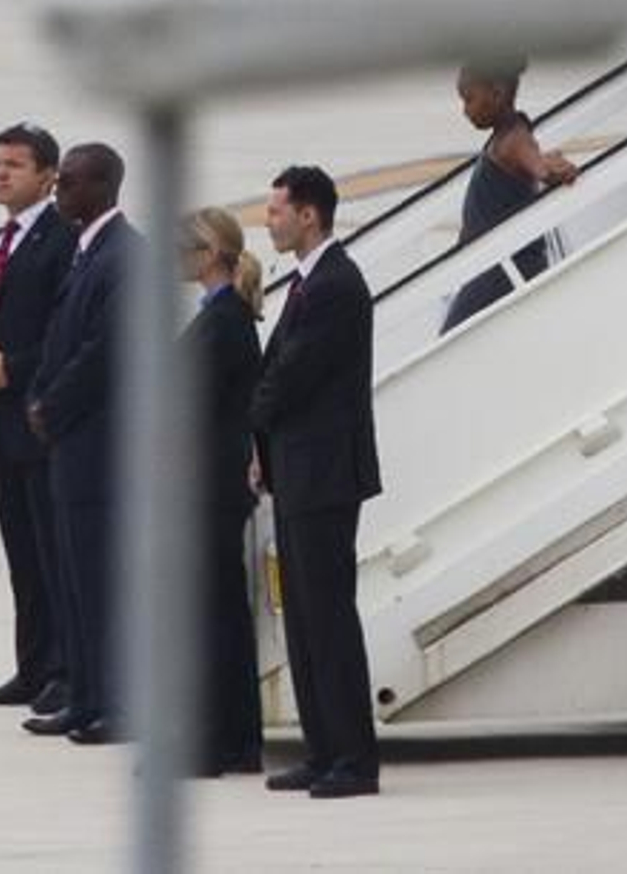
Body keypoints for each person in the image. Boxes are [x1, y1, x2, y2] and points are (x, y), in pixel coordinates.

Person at [251, 166, 382, 799]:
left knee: (328, 616)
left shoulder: (334, 286)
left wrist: (241, 421)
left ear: (309, 216)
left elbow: (291, 376)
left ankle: (353, 759)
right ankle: (322, 747)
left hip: (325, 475)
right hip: (298, 472)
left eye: (277, 211)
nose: (268, 221)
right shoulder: (306, 283)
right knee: (303, 618)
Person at [0, 122, 77, 714]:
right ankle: (31, 664)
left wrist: (15, 369)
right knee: (21, 555)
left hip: (38, 418)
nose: (1, 174)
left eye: (15, 165)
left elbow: (65, 330)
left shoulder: (62, 242)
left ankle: (62, 666)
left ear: (49, 177)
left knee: (53, 553)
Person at [22, 143, 142, 746]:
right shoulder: (87, 250)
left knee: (102, 581)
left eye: (67, 182)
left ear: (100, 186)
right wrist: (40, 394)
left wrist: (53, 403)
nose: (57, 191)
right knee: (73, 578)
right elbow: (59, 335)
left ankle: (116, 702)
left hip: (99, 447)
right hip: (71, 447)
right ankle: (87, 697)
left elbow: (106, 351)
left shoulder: (124, 256)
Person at [179, 207, 266, 777]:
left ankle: (212, 741)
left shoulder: (224, 321)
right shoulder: (222, 315)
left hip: (208, 484)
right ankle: (234, 738)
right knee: (222, 613)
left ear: (208, 254)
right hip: (212, 480)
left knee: (211, 615)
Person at [440, 57, 577, 333]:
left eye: (469, 99)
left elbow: (537, 168)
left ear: (497, 93)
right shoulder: (504, 138)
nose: (465, 110)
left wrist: (551, 168)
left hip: (503, 267)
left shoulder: (514, 139)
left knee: (451, 337)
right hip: (491, 266)